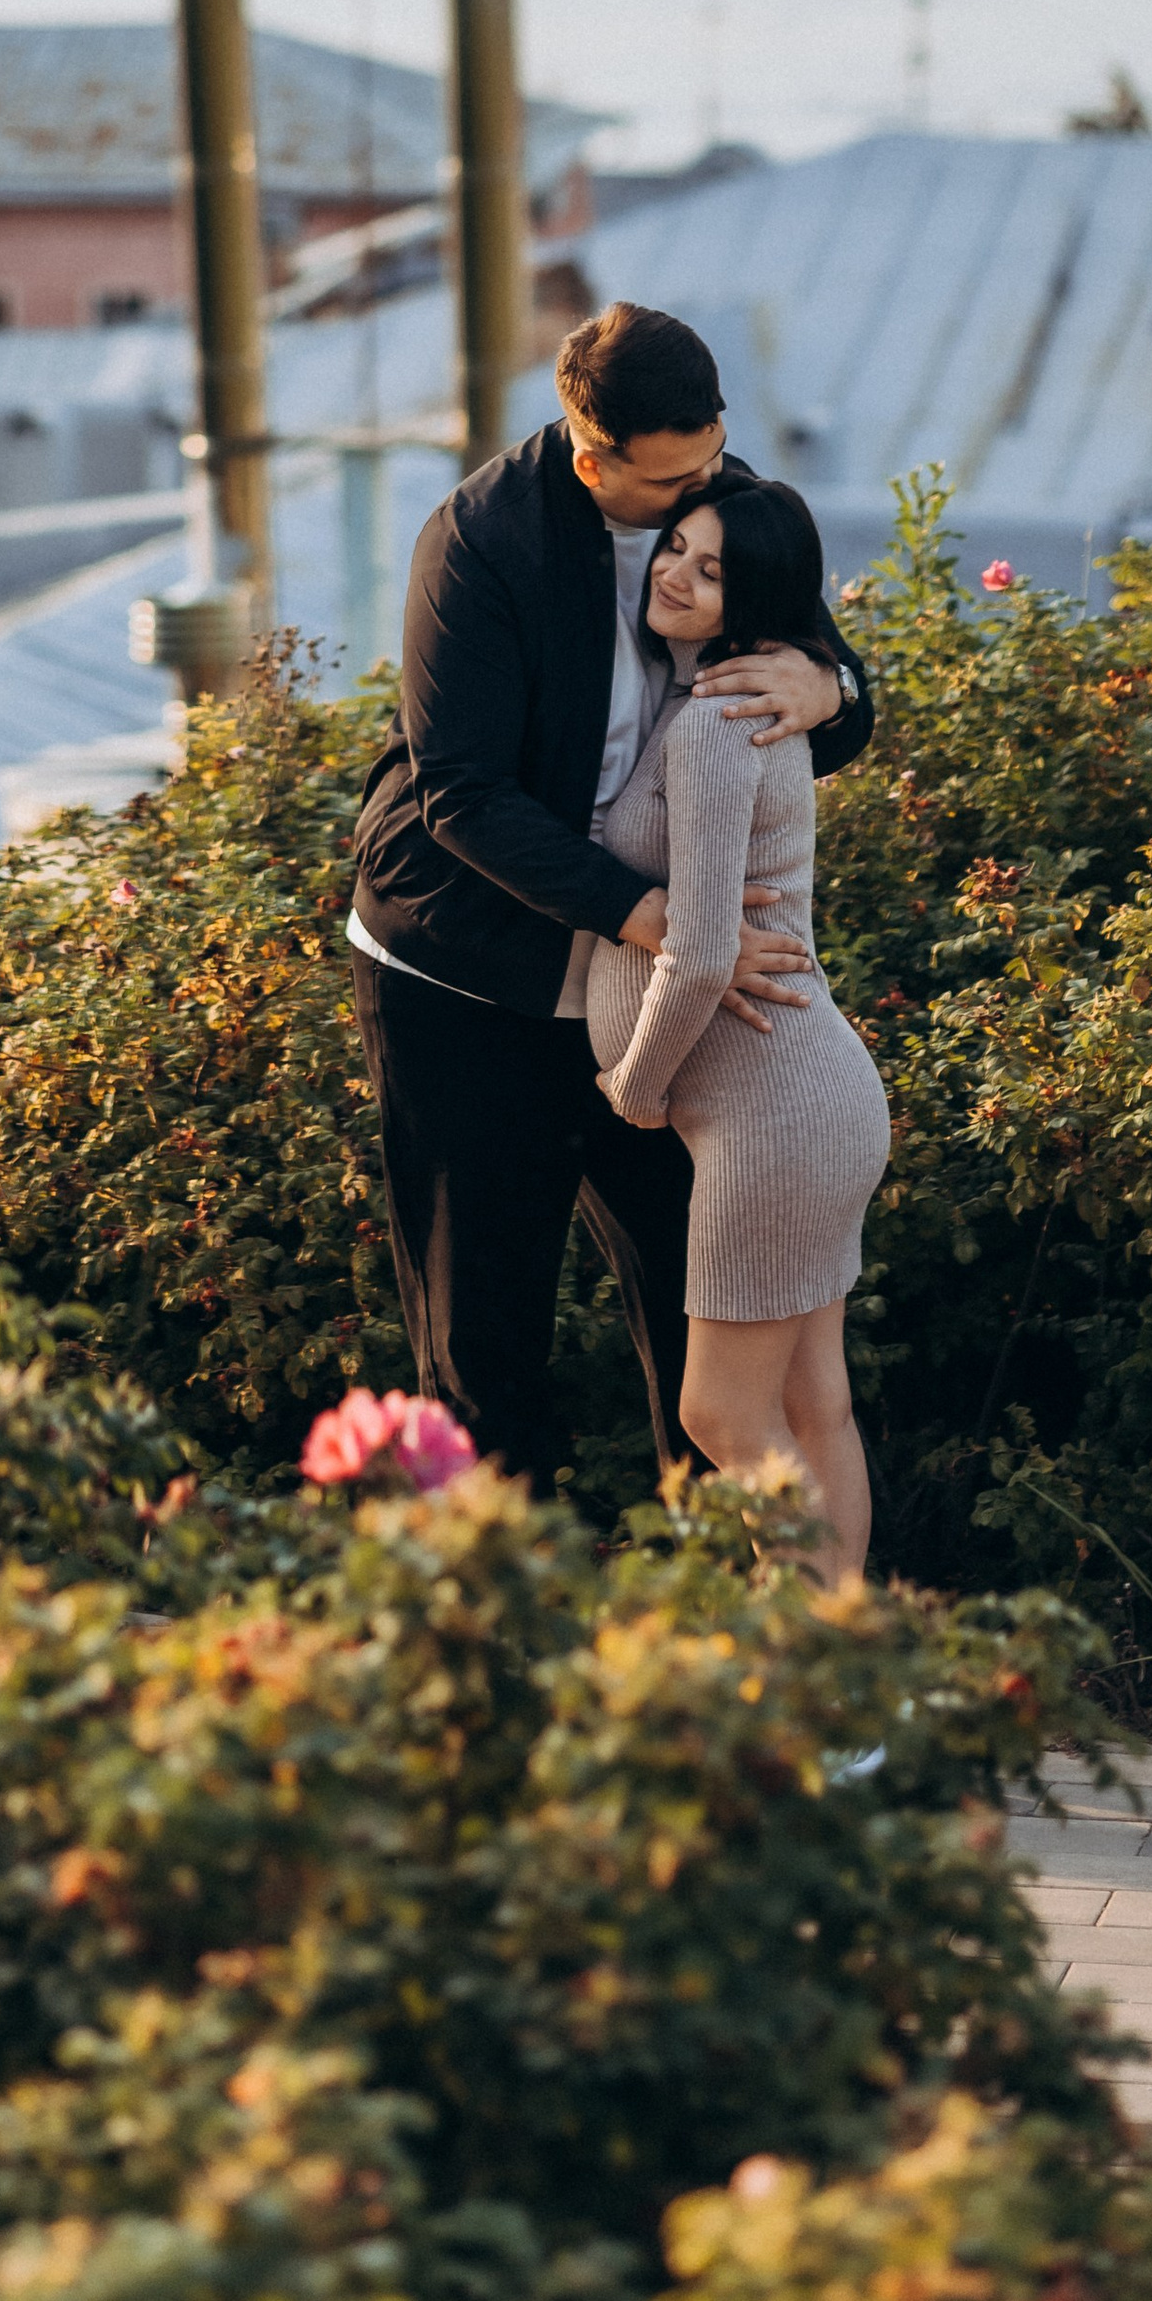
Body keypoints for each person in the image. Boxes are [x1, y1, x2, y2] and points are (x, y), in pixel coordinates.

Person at [348, 300, 874, 1485]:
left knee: (707, 1345)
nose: (706, 493)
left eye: (715, 459)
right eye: (672, 481)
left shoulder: (721, 499)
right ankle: (503, 1654)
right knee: (485, 1353)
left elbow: (814, 687)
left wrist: (832, 692)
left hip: (661, 993)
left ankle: (705, 1648)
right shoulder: (478, 541)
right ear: (592, 457)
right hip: (471, 975)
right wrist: (667, 928)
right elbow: (464, 798)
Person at [587, 478, 892, 1587]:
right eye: (675, 549)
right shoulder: (726, 707)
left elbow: (705, 949)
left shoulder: (716, 726)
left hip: (772, 1116)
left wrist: (634, 1085)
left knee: (719, 1411)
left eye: (711, 570)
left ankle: (835, 1696)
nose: (675, 573)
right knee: (814, 1406)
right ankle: (849, 1692)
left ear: (750, 599)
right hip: (809, 1102)